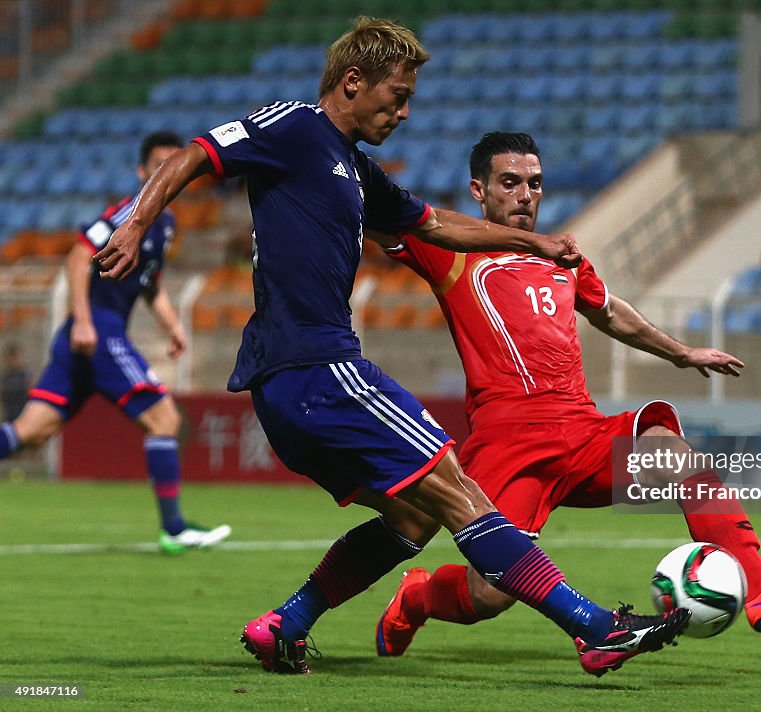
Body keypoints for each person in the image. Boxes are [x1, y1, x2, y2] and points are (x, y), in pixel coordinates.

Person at [93, 18, 688, 677]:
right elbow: (195, 155)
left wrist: (529, 242)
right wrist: (137, 220)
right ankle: (594, 627)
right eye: (396, 96)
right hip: (320, 365)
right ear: (354, 82)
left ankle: (284, 624)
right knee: (461, 492)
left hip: (282, 381)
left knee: (411, 516)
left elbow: (433, 223)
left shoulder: (355, 169)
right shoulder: (294, 125)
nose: (404, 112)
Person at [372, 132, 761, 674]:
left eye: (534, 184)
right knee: (489, 597)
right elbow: (377, 212)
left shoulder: (563, 258)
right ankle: (419, 597)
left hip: (582, 431)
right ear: (479, 190)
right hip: (510, 446)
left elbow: (610, 312)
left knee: (673, 453)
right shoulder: (449, 248)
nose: (525, 195)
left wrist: (680, 352)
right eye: (510, 183)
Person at [0, 131, 231, 554]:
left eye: (172, 165)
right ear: (141, 172)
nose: (165, 173)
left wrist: (172, 327)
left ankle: (176, 528)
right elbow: (77, 255)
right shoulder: (131, 212)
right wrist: (85, 321)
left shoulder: (165, 224)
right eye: (157, 165)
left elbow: (150, 285)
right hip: (98, 331)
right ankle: (175, 529)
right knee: (164, 421)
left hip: (87, 336)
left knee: (29, 432)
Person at [2, 343, 30, 422]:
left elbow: (30, 393)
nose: (15, 361)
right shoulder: (5, 376)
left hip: (23, 413)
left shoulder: (26, 375)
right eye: (12, 358)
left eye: (17, 358)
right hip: (9, 414)